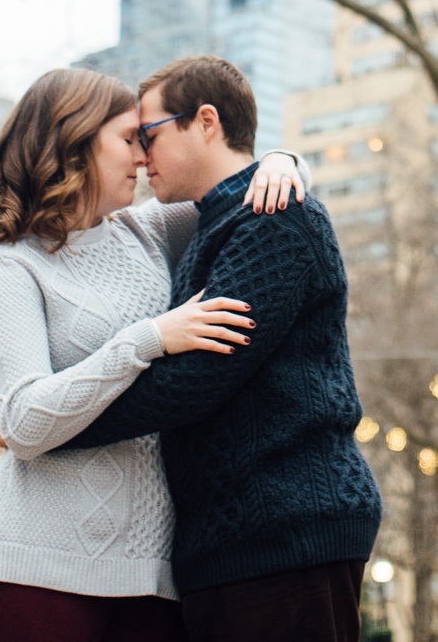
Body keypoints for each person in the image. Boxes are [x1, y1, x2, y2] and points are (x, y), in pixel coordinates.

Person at [0, 66, 309, 642]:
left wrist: (283, 161)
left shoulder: (148, 231)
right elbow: (22, 419)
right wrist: (148, 340)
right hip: (37, 566)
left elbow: (246, 191)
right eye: (128, 140)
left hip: (155, 577)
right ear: (74, 142)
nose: (144, 159)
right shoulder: (9, 264)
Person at [56, 55, 383, 642]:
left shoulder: (272, 218)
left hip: (288, 529)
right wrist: (285, 159)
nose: (140, 155)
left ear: (205, 121)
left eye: (148, 135)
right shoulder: (214, 221)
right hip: (236, 538)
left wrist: (56, 421)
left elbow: (196, 379)